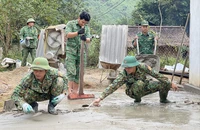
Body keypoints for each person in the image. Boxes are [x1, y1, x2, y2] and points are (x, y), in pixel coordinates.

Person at [93, 56, 178, 106]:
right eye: (125, 67)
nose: (127, 69)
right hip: (132, 92)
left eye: (129, 67)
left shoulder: (143, 66)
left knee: (165, 83)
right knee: (139, 83)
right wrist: (100, 98)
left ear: (135, 65)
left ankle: (163, 100)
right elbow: (113, 86)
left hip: (145, 86)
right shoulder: (124, 74)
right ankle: (137, 100)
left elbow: (157, 75)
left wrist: (170, 83)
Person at [65, 11, 92, 95]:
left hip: (81, 52)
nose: (83, 24)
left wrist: (85, 39)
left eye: (85, 23)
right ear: (79, 18)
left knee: (80, 72)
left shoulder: (86, 27)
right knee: (71, 71)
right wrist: (78, 33)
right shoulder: (71, 24)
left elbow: (89, 39)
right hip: (71, 52)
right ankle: (69, 92)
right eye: (82, 22)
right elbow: (68, 34)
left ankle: (76, 92)